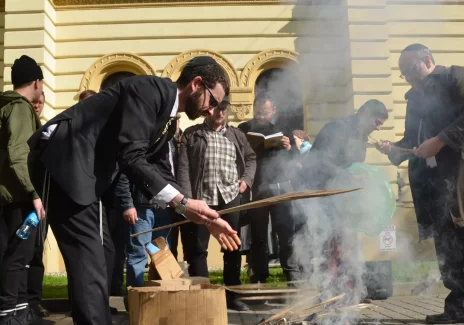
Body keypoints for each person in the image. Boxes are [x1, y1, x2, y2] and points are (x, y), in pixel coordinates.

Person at [27, 56, 240, 325]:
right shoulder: (150, 90)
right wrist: (183, 201)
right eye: (213, 101)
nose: (212, 110)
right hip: (65, 162)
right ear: (196, 84)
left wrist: (200, 212)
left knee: (103, 256)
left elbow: (160, 170)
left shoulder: (166, 116)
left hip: (86, 175)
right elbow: (132, 156)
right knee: (90, 262)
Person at [377, 44, 464, 324]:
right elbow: (413, 142)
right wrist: (393, 149)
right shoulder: (413, 97)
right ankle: (457, 308)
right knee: (448, 250)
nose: (408, 78)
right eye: (403, 74)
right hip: (433, 186)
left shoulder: (455, 77)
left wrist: (440, 140)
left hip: (459, 178)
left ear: (427, 60)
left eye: (409, 70)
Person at [298, 99, 388, 304]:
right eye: (377, 122)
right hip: (323, 192)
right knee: (330, 245)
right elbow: (320, 161)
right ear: (364, 113)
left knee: (347, 242)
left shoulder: (362, 134)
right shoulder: (337, 129)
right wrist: (349, 177)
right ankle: (330, 294)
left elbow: (354, 164)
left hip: (343, 195)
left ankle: (350, 292)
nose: (378, 127)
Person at [178, 96, 256, 310]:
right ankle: (202, 297)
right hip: (202, 200)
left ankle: (233, 295)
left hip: (231, 198)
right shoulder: (192, 134)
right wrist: (187, 200)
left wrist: (246, 180)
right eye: (215, 108)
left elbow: (250, 158)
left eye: (224, 108)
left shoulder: (237, 135)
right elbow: (183, 169)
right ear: (207, 110)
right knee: (198, 251)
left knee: (232, 247)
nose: (220, 113)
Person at [0, 55, 45, 325]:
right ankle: (10, 315)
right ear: (36, 81)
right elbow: (19, 154)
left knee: (12, 255)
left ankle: (18, 311)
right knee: (18, 257)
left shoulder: (5, 105)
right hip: (18, 196)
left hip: (7, 196)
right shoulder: (20, 108)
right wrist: (34, 193)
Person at [238, 91, 300, 284]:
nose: (261, 116)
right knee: (258, 234)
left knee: (285, 230)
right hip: (257, 188)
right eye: (257, 112)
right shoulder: (244, 128)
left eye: (264, 113)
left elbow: (297, 159)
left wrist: (290, 148)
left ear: (274, 110)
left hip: (281, 186)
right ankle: (259, 274)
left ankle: (291, 272)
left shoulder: (284, 128)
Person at [26, 91, 50, 320]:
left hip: (41, 202)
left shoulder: (45, 132)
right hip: (21, 200)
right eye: (34, 101)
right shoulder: (21, 124)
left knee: (36, 252)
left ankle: (33, 302)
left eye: (40, 102)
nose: (37, 105)